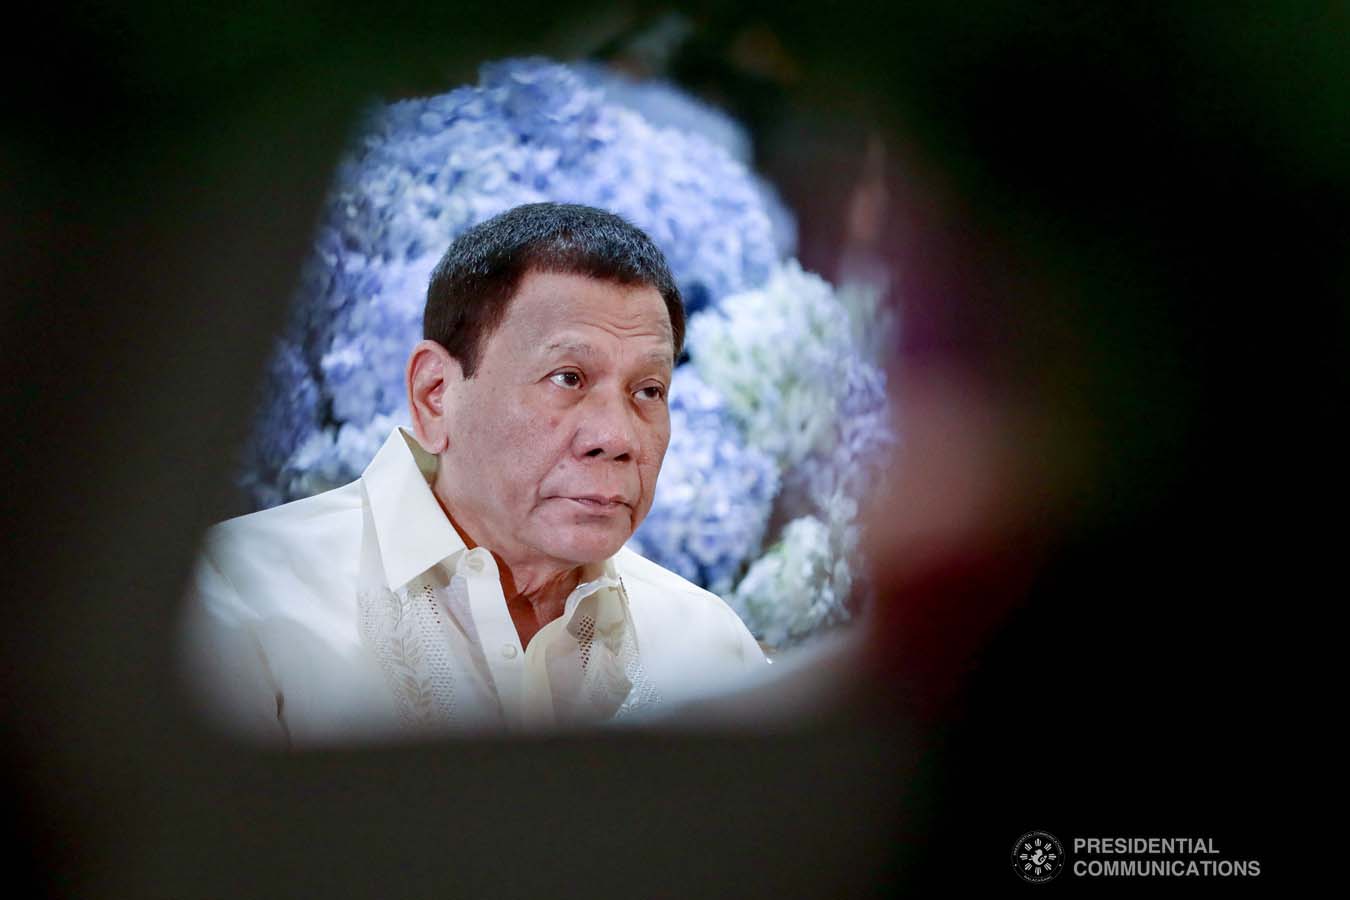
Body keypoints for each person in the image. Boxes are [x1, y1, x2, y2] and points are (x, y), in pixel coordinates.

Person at [178, 203, 767, 748]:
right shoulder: (236, 598)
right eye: (568, 378)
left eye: (649, 390)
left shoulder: (709, 647)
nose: (616, 438)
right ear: (435, 394)